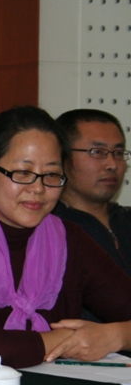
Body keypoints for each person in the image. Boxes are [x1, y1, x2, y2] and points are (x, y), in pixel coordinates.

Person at [0, 106, 131, 370]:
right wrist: (69, 338)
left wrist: (115, 336)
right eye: (23, 173)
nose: (38, 188)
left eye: (51, 175)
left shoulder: (69, 240)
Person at [53, 109, 130, 277]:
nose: (112, 165)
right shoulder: (49, 230)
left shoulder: (126, 220)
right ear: (61, 157)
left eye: (118, 153)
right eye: (97, 152)